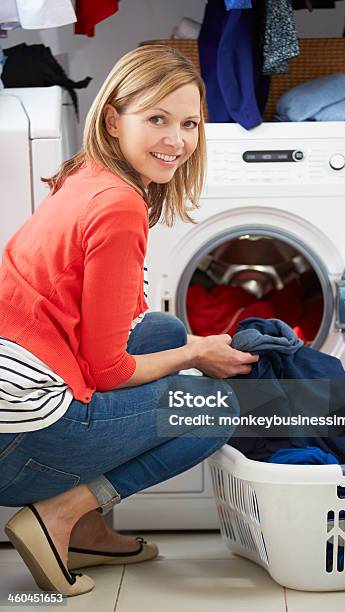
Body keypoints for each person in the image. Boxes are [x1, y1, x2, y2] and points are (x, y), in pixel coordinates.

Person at [0, 45, 259, 597]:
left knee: (162, 332)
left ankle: (88, 529)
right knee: (215, 407)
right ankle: (59, 514)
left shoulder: (86, 174)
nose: (176, 140)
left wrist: (183, 345)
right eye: (157, 119)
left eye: (189, 123)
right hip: (14, 443)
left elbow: (114, 323)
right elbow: (110, 371)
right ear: (115, 119)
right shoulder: (119, 206)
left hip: (13, 400)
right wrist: (197, 354)